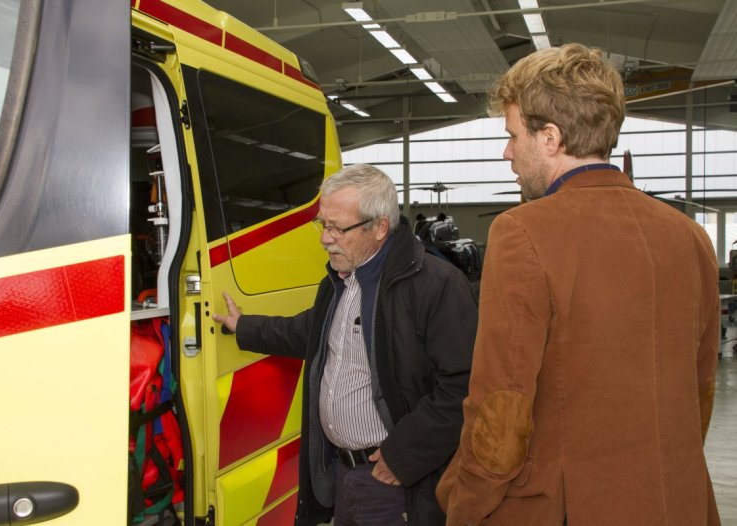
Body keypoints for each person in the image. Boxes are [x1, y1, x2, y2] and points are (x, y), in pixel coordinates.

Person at [436, 43, 721, 525]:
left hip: (567, 504)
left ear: (549, 137)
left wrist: (466, 501)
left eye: (512, 135)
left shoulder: (522, 231)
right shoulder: (691, 237)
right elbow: (701, 390)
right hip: (676, 498)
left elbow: (502, 405)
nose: (508, 153)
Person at [213, 163, 478, 525]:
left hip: (395, 482)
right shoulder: (341, 280)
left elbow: (464, 386)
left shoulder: (435, 285)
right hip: (342, 474)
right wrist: (243, 325)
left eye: (337, 227)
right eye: (323, 224)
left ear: (380, 227)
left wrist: (402, 457)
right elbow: (307, 331)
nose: (325, 238)